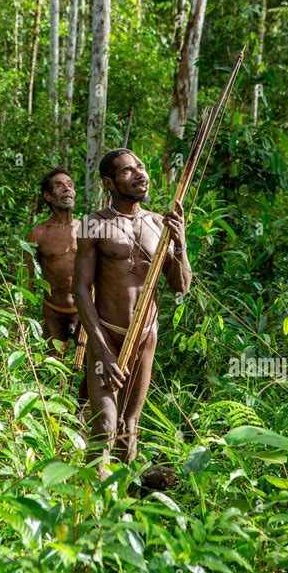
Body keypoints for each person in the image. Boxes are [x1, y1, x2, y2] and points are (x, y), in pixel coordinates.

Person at [74, 149, 192, 478]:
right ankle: (89, 511)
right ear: (109, 183)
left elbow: (180, 287)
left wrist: (180, 244)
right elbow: (81, 289)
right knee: (105, 430)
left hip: (144, 338)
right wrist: (101, 351)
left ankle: (122, 510)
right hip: (107, 337)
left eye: (141, 166)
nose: (140, 173)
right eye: (128, 171)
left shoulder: (158, 224)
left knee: (128, 428)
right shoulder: (92, 225)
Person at [26, 168, 80, 358]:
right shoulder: (38, 234)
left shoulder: (87, 230)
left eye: (70, 185)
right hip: (53, 311)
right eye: (59, 185)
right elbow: (27, 278)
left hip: (84, 311)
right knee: (55, 366)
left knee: (90, 366)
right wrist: (19, 317)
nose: (67, 188)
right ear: (48, 196)